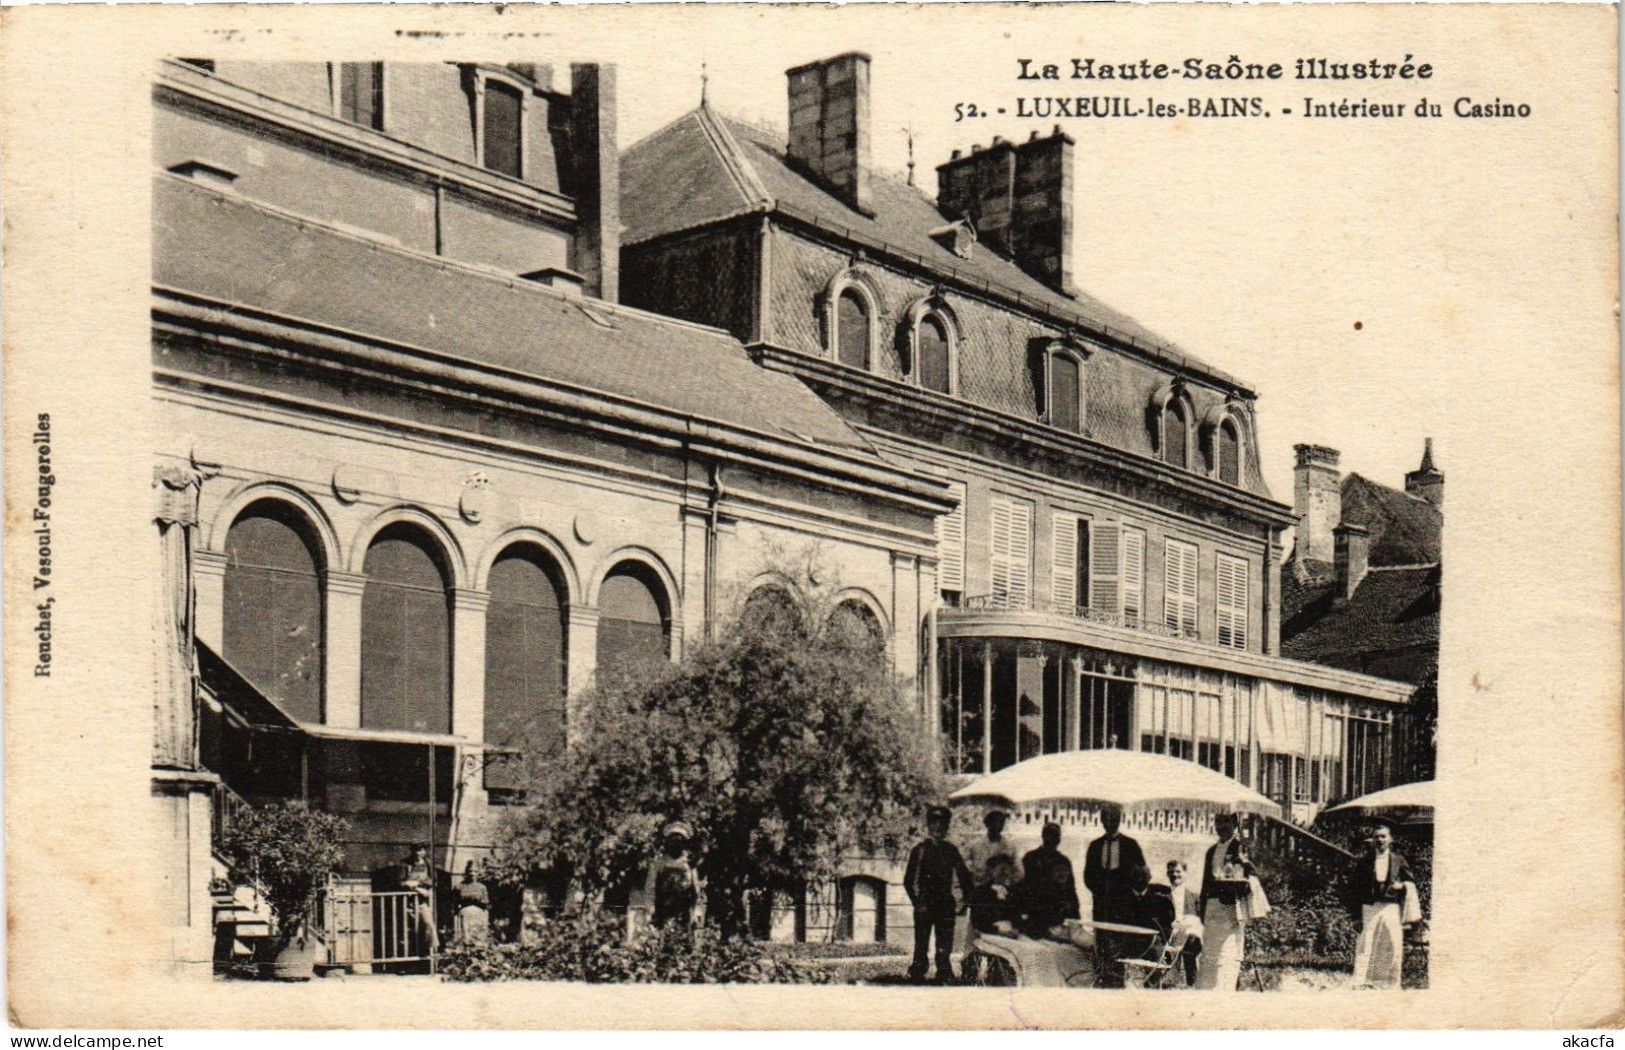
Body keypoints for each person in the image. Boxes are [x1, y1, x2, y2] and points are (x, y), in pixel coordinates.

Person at [904, 805, 975, 984]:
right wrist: (916, 902)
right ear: (928, 825)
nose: (938, 828)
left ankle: (944, 970)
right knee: (921, 942)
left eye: (942, 824)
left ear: (947, 827)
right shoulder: (919, 850)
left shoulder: (951, 850)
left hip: (945, 903)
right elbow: (908, 880)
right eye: (934, 824)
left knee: (945, 942)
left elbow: (964, 875)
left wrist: (965, 900)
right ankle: (918, 969)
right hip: (925, 904)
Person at [1343, 822, 1415, 989]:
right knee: (1366, 942)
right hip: (1370, 906)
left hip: (1391, 906)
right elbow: (1354, 889)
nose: (1380, 840)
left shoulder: (1399, 860)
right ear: (1372, 840)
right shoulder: (1365, 862)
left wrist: (1402, 886)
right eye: (1377, 837)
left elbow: (1410, 881)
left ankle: (1389, 982)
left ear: (1390, 839)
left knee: (1392, 943)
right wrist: (1355, 916)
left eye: (1383, 836)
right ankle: (1362, 980)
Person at [1083, 805, 1147, 986]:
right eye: (1107, 819)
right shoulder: (1094, 846)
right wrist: (1101, 891)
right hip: (1101, 905)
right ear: (1102, 820)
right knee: (1102, 945)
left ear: (1120, 820)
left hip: (1123, 906)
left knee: (1120, 947)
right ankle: (1102, 982)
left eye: (1114, 819)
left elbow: (1141, 874)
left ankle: (1118, 984)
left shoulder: (1131, 845)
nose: (1110, 822)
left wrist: (1130, 894)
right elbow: (1087, 876)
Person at [1195, 812, 1258, 990]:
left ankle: (1224, 990)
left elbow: (1249, 878)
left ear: (1235, 823)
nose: (1221, 826)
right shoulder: (1211, 851)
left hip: (1231, 907)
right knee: (1209, 952)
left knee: (1227, 952)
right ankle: (1205, 991)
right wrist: (1202, 908)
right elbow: (1205, 882)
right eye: (1218, 822)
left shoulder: (1241, 848)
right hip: (1212, 907)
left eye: (1226, 822)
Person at [1019, 821, 1080, 938]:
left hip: (1055, 914)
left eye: (1056, 835)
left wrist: (1076, 918)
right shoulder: (1030, 858)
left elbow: (1070, 890)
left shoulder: (1063, 861)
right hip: (1034, 914)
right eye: (1049, 835)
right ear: (1043, 836)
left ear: (1059, 839)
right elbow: (1022, 887)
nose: (1053, 839)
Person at [646, 821, 701, 929]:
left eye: (680, 839)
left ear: (684, 843)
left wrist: (696, 912)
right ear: (667, 841)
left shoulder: (689, 863)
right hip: (663, 911)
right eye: (673, 839)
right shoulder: (659, 863)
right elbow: (650, 887)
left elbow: (696, 889)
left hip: (684, 910)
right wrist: (650, 909)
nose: (676, 842)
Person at [1165, 859, 1204, 986]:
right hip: (1169, 935)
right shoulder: (1161, 896)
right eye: (1171, 872)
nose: (1175, 875)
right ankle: (1170, 984)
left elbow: (1201, 920)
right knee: (1168, 964)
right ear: (1167, 874)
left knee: (1191, 944)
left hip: (1189, 937)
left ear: (1185, 873)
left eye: (1178, 871)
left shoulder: (1194, 897)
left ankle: (1192, 984)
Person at [963, 809, 1017, 890]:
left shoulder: (1010, 846)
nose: (998, 826)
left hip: (1004, 890)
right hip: (981, 890)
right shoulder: (974, 846)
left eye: (1001, 822)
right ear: (987, 824)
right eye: (994, 822)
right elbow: (963, 868)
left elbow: (1019, 873)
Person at [454, 861, 490, 944]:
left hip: (478, 914)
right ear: (466, 872)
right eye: (470, 871)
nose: (472, 874)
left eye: (475, 871)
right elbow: (455, 903)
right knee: (466, 937)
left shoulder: (482, 887)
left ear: (478, 873)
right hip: (465, 914)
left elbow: (486, 903)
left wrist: (478, 902)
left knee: (478, 937)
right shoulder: (459, 886)